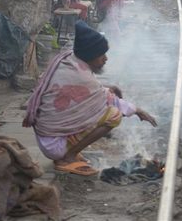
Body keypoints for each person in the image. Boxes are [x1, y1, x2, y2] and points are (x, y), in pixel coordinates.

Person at [23, 21, 157, 175]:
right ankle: (68, 157)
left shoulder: (69, 60)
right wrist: (137, 110)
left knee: (106, 102)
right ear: (90, 56)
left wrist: (108, 89)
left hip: (48, 138)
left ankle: (69, 152)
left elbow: (89, 91)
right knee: (113, 115)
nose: (105, 59)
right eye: (101, 55)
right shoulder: (82, 77)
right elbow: (105, 98)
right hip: (54, 145)